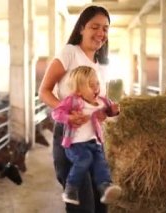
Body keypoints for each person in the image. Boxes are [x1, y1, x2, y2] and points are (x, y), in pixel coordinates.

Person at [38, 5, 113, 213]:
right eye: (95, 27)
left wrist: (105, 112)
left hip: (94, 141)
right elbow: (44, 90)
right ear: (81, 28)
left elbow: (99, 107)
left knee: (101, 205)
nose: (101, 33)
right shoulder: (70, 53)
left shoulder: (102, 66)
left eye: (105, 29)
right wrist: (68, 114)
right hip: (69, 138)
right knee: (83, 205)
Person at [51, 66, 122, 205]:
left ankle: (105, 188)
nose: (96, 88)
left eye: (97, 84)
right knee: (84, 159)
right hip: (75, 144)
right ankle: (71, 189)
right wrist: (69, 118)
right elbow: (56, 113)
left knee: (101, 163)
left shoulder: (102, 101)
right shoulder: (73, 101)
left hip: (94, 142)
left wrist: (114, 111)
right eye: (91, 85)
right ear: (78, 90)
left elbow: (110, 111)